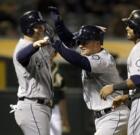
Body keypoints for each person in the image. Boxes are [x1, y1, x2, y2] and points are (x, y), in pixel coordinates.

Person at [48, 7, 130, 135]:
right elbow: (70, 41)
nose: (81, 45)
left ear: (98, 43)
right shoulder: (90, 51)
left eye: (85, 41)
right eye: (80, 41)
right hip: (106, 117)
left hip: (114, 115)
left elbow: (78, 61)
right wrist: (59, 24)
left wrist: (57, 44)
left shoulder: (103, 59)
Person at [12, 10, 56, 135]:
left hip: (39, 106)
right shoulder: (23, 47)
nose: (42, 28)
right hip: (32, 104)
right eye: (38, 26)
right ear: (28, 29)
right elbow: (21, 57)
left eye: (42, 25)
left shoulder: (40, 45)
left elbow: (62, 46)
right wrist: (35, 45)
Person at [50, 53, 71, 135]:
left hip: (54, 109)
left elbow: (62, 96)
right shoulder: (36, 67)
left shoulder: (59, 71)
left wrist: (65, 119)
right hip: (38, 107)